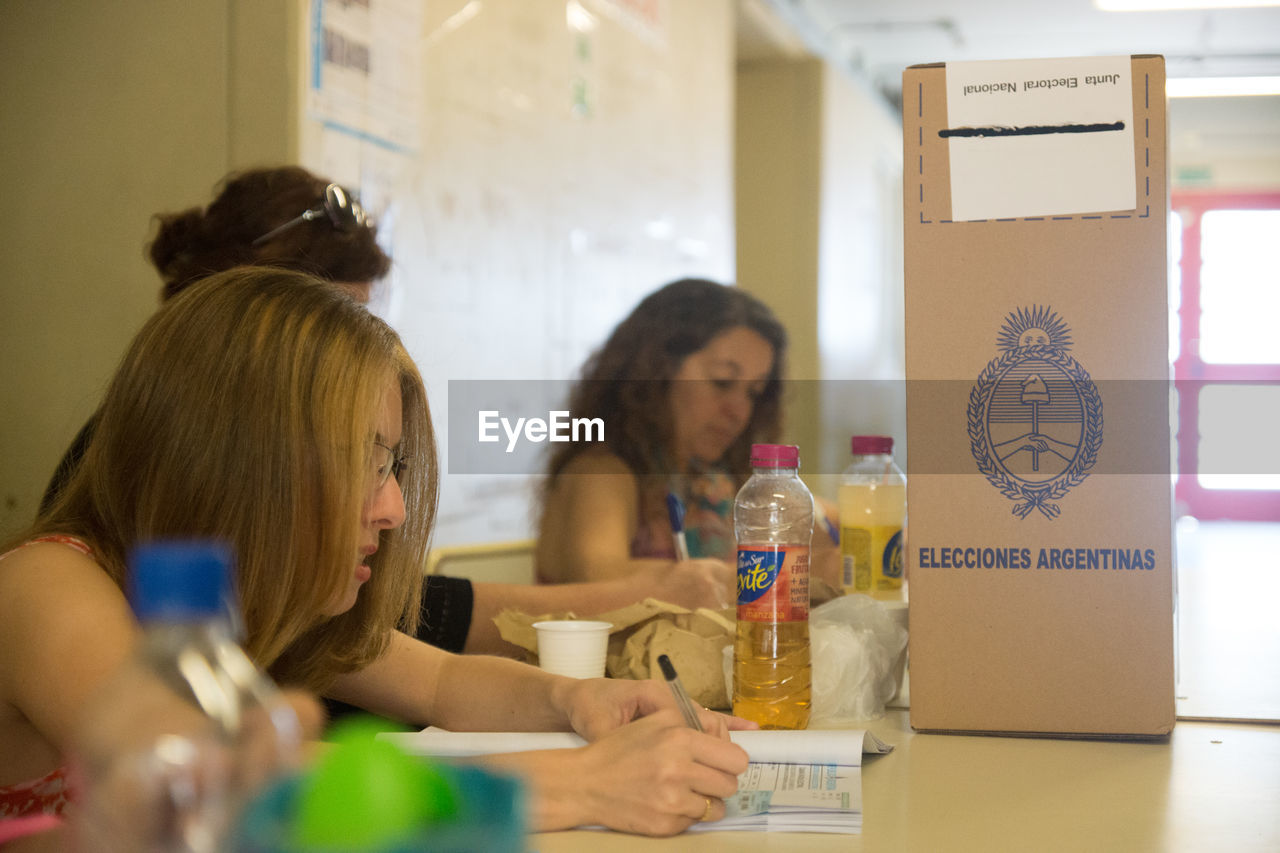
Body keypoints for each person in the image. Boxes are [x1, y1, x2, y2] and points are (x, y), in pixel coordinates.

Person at [0, 268, 750, 835]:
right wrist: (584, 783)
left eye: (392, 465)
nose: (392, 507)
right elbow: (220, 780)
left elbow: (445, 685)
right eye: (364, 460)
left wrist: (579, 700)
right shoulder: (45, 585)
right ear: (243, 459)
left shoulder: (255, 597)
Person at [39, 166, 733, 656]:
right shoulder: (83, 550)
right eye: (330, 332)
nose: (392, 506)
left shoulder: (285, 572)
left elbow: (397, 638)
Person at [536, 278, 840, 588]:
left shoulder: (713, 480)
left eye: (754, 392)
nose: (739, 411)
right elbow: (598, 577)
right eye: (722, 381)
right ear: (655, 372)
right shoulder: (601, 473)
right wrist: (780, 572)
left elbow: (823, 519)